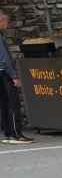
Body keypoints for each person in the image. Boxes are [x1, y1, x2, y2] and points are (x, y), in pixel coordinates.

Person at [0, 10, 32, 144]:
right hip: (4, 73)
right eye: (6, 21)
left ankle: (7, 134)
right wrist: (14, 76)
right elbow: (4, 58)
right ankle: (15, 134)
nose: (7, 24)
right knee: (13, 104)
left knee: (4, 104)